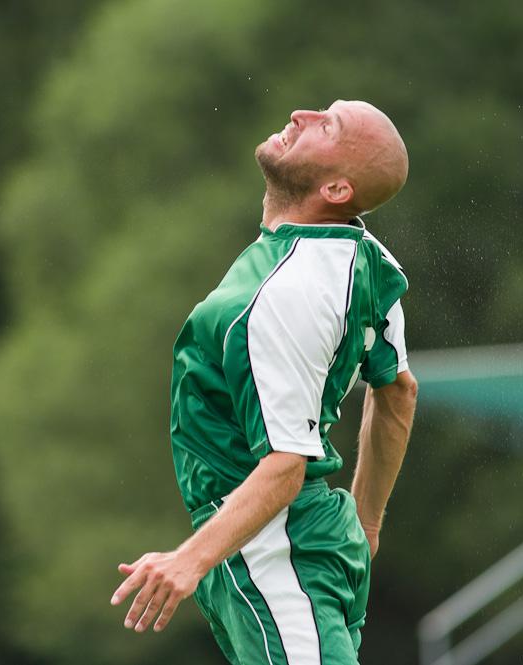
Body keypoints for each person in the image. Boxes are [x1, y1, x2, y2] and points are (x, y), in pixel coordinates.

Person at [111, 100, 419, 665]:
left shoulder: (287, 290)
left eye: (328, 125)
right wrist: (366, 522)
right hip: (298, 541)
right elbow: (397, 391)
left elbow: (285, 466)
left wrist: (189, 560)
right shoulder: (364, 259)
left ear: (337, 190)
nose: (302, 114)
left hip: (277, 550)